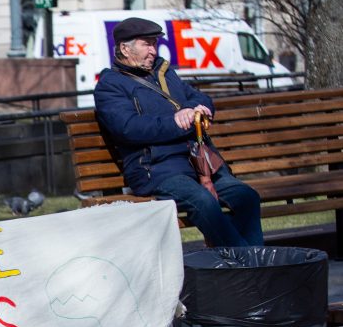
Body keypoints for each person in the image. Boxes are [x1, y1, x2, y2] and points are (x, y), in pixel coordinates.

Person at [94, 17, 264, 247]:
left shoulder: (164, 73)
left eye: (155, 43)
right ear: (125, 48)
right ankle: (247, 264)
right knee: (203, 201)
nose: (154, 50)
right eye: (147, 44)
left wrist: (199, 107)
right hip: (155, 169)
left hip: (197, 163)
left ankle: (245, 264)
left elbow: (198, 96)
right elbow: (129, 128)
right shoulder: (110, 85)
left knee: (246, 197)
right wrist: (176, 121)